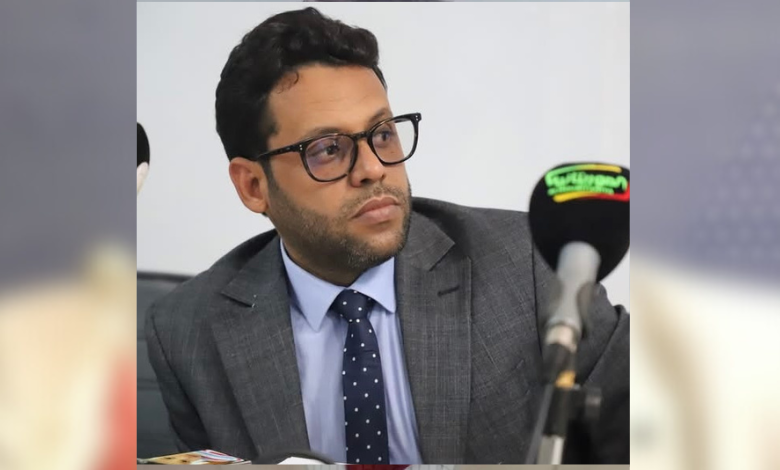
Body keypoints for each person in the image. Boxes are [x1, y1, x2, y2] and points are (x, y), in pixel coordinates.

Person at [145, 7, 629, 465]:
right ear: (254, 186)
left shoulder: (530, 264)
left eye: (381, 134)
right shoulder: (187, 332)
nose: (374, 169)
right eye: (328, 149)